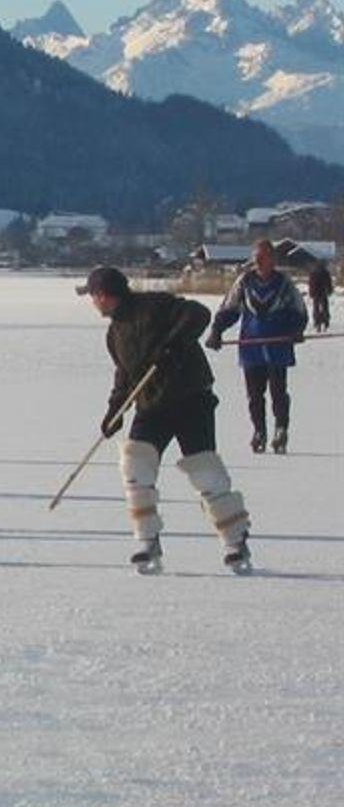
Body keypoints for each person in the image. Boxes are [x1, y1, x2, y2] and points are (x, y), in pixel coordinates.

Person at [81, 266, 251, 573]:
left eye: (92, 296)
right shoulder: (114, 333)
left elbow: (198, 314)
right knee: (135, 467)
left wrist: (173, 344)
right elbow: (125, 375)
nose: (92, 302)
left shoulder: (155, 305)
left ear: (103, 295)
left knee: (205, 471)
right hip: (151, 408)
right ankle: (147, 540)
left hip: (191, 398)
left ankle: (235, 540)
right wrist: (114, 410)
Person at [208, 238, 306, 454]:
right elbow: (230, 308)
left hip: (277, 346)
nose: (259, 262)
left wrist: (296, 330)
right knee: (254, 395)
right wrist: (217, 330)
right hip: (251, 347)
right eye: (256, 258)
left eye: (263, 257)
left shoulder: (284, 284)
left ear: (272, 259)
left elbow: (298, 310)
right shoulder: (245, 282)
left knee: (278, 392)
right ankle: (259, 431)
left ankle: (281, 429)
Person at [308, 259, 333, 333]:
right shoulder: (326, 272)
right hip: (323, 291)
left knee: (316, 307)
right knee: (325, 306)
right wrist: (329, 290)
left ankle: (316, 321)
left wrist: (311, 292)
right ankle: (326, 321)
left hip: (316, 292)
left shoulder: (313, 272)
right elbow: (328, 282)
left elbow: (311, 283)